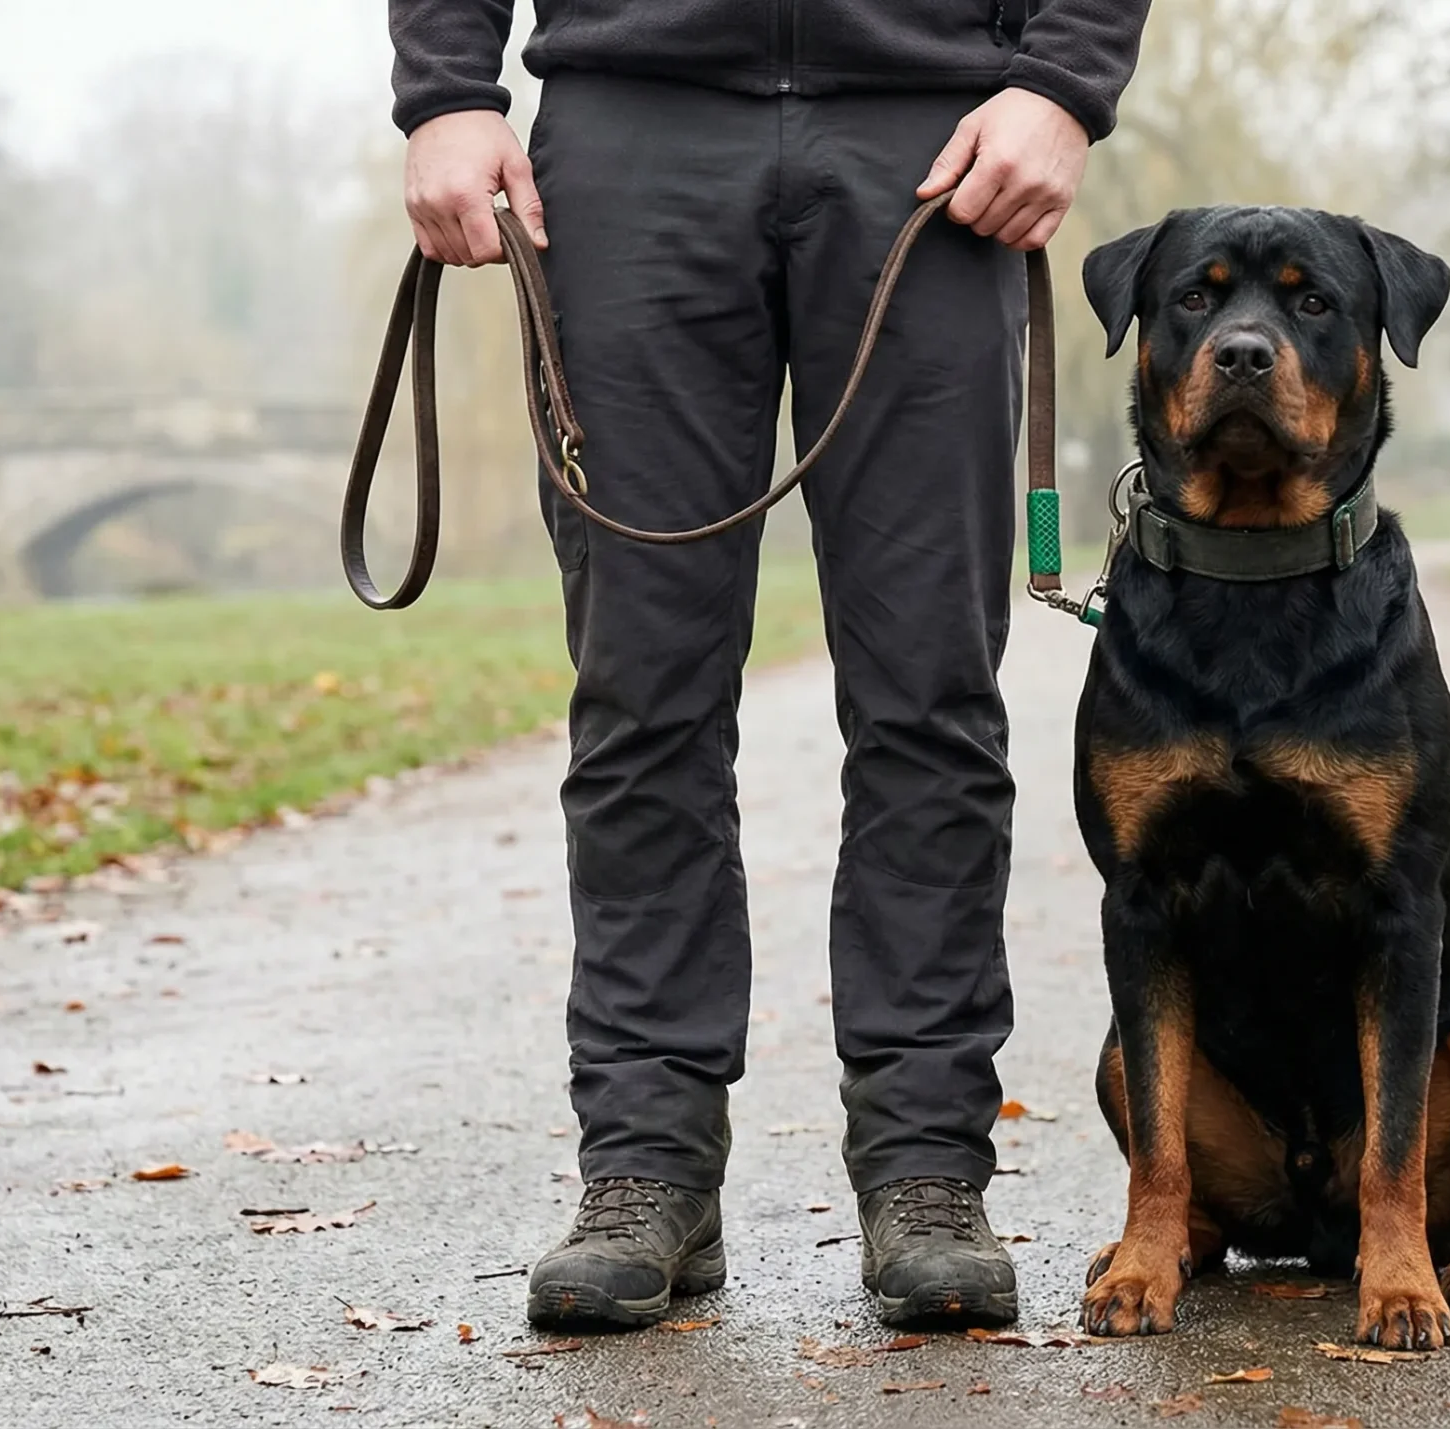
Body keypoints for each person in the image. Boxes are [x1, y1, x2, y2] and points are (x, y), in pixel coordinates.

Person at [386, 1, 1152, 1330]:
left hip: (934, 131)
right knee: (642, 699)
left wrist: (1066, 81)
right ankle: (647, 1167)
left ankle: (926, 1171)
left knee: (931, 699)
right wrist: (447, 91)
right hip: (633, 123)